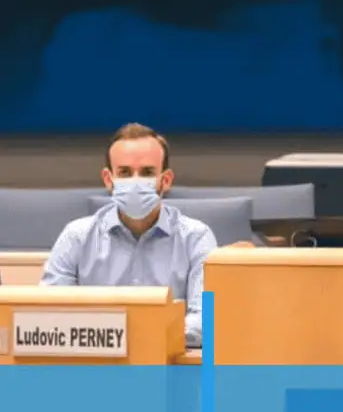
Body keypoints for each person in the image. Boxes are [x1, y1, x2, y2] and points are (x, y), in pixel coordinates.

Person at [40, 123, 216, 347]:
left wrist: (127, 338)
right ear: (108, 179)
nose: (135, 182)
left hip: (168, 363)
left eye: (147, 173)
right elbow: (49, 313)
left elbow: (206, 320)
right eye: (124, 173)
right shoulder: (76, 237)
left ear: (166, 180)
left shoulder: (196, 238)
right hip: (94, 364)